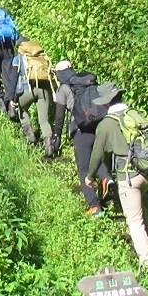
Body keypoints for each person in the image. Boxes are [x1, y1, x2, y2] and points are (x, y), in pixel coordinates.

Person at [84, 100, 148, 280]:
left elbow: (97, 154)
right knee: (140, 206)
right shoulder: (135, 114)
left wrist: (90, 176)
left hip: (128, 176)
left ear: (106, 103)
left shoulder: (106, 124)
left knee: (134, 220)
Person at [49, 60, 115, 217]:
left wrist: (57, 135)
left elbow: (59, 116)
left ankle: (94, 206)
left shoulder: (64, 88)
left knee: (84, 167)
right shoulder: (87, 82)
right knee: (97, 158)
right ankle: (107, 179)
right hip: (98, 126)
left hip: (81, 130)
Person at [11, 40, 55, 155]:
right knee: (44, 120)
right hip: (44, 90)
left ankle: (30, 135)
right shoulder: (42, 56)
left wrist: (12, 97)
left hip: (27, 90)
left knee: (22, 109)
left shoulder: (18, 58)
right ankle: (49, 146)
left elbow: (14, 78)